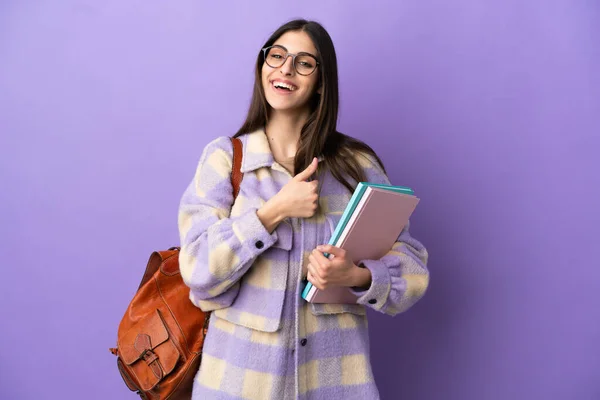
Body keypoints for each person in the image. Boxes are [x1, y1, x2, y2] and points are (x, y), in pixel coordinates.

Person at [178, 18, 429, 400]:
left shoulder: (357, 166)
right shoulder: (225, 160)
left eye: (304, 62)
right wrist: (272, 212)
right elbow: (197, 269)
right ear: (262, 66)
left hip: (336, 385)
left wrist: (356, 276)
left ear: (321, 82)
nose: (285, 69)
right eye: (276, 56)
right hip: (237, 385)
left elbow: (413, 270)